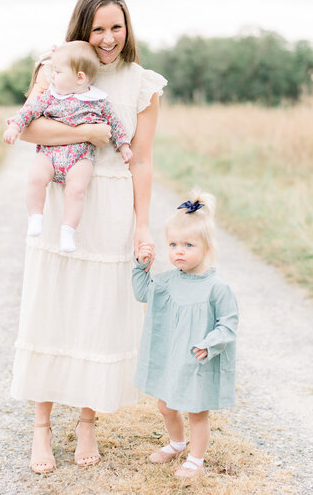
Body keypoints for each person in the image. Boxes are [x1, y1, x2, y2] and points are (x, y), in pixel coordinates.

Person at [10, 0, 167, 473]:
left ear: (127, 27)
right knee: (51, 305)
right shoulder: (55, 63)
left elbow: (141, 160)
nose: (107, 38)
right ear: (83, 27)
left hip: (112, 208)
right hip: (63, 201)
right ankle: (41, 427)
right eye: (98, 28)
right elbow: (31, 127)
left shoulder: (142, 83)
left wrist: (143, 226)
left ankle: (85, 422)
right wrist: (87, 133)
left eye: (116, 27)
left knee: (94, 314)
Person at [132, 188, 238, 480]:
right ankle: (176, 443)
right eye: (173, 244)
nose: (179, 251)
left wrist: (209, 343)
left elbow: (229, 324)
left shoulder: (217, 288)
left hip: (197, 359)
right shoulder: (166, 281)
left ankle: (196, 458)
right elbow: (142, 293)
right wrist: (142, 266)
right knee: (165, 405)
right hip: (171, 357)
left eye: (189, 245)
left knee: (196, 411)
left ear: (207, 248)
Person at [2, 41, 132, 252]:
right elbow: (28, 112)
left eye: (58, 72)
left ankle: (67, 231)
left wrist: (124, 144)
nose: (52, 76)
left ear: (80, 77)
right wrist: (15, 127)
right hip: (49, 154)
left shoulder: (98, 101)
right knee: (35, 178)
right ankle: (35, 216)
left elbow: (115, 123)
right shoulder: (49, 97)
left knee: (76, 190)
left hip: (79, 158)